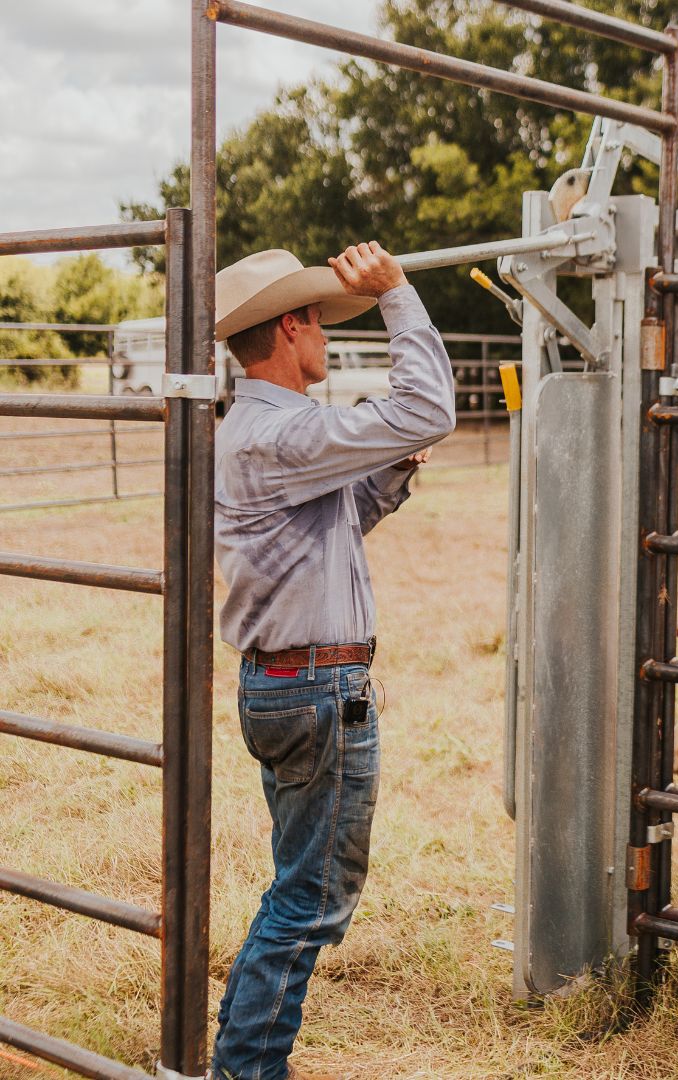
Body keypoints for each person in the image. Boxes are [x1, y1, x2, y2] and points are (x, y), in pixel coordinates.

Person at [210, 242, 455, 1080]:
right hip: (319, 689)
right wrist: (398, 296)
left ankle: (234, 1046)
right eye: (319, 322)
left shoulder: (253, 430)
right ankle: (246, 1069)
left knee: (294, 888)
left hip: (283, 685)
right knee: (312, 902)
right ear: (292, 325)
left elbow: (333, 526)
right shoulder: (286, 427)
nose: (328, 340)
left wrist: (390, 472)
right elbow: (429, 408)